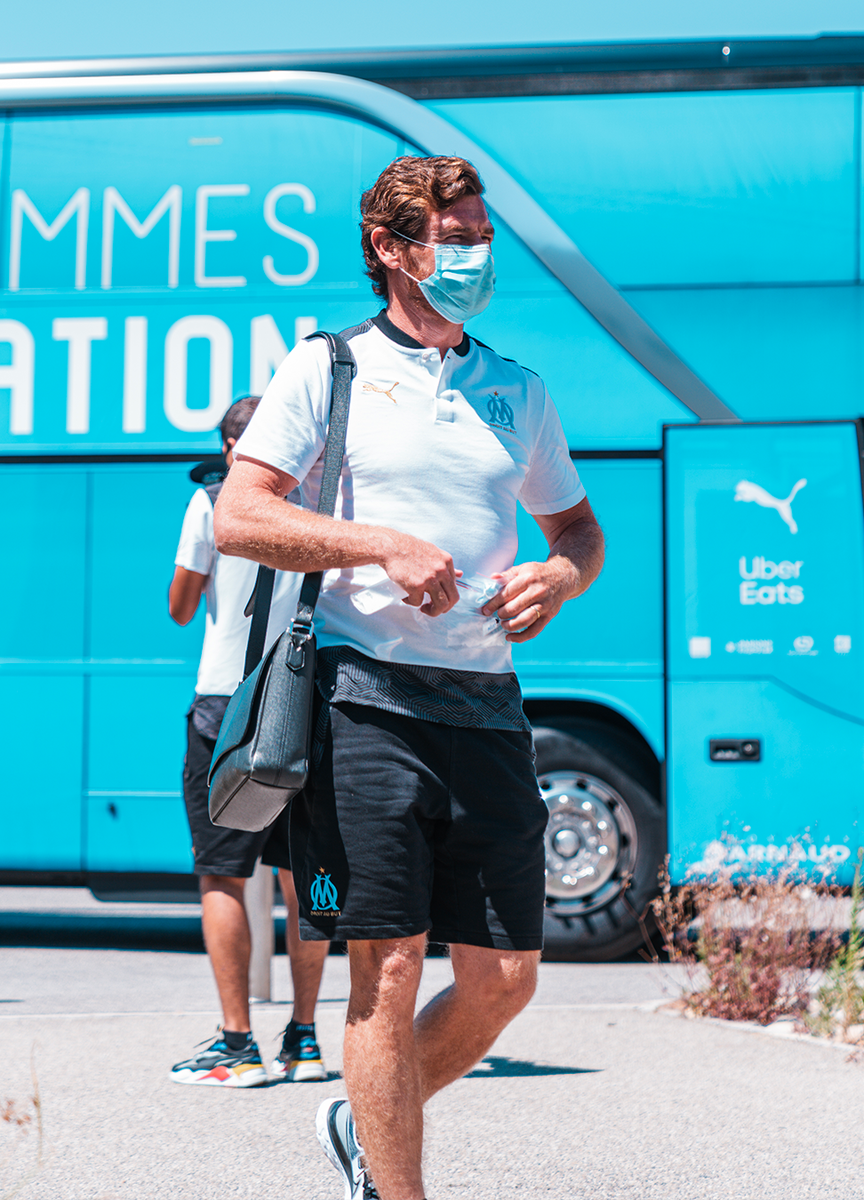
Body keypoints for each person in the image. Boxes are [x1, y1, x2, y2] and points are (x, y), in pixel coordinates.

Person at [215, 156, 604, 1197]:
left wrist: (560, 573)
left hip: (487, 710)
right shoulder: (326, 369)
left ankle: (362, 1115)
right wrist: (377, 542)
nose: (476, 257)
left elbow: (576, 525)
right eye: (457, 237)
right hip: (364, 704)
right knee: (386, 971)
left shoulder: (518, 389)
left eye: (482, 238)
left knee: (504, 983)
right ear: (390, 249)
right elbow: (240, 516)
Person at [167, 396, 330, 1088]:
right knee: (303, 881)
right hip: (302, 706)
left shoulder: (211, 505)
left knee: (222, 873)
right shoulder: (323, 506)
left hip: (225, 710)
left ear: (231, 446)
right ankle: (305, 1039)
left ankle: (237, 1046)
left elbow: (179, 609)